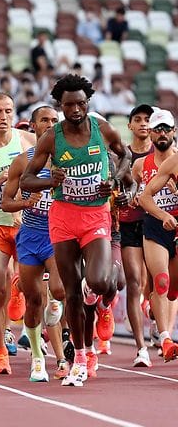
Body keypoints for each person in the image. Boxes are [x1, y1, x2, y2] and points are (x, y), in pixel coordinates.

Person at [21, 74, 130, 387]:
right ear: (61, 106)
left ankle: (104, 291)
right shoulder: (51, 138)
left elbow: (124, 156)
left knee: (97, 280)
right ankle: (80, 358)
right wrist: (49, 181)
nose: (76, 109)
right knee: (71, 293)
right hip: (64, 218)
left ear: (88, 103)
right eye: (69, 104)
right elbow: (27, 180)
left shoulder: (103, 128)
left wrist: (116, 179)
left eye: (81, 103)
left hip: (96, 215)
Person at [1, 105, 67, 382]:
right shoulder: (22, 161)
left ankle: (56, 308)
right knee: (33, 300)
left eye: (54, 120)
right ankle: (38, 359)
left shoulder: (68, 159)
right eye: (44, 120)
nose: (50, 124)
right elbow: (6, 202)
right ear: (34, 125)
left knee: (59, 291)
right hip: (30, 234)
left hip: (58, 233)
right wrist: (25, 203)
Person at [0, 92, 36, 371]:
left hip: (26, 223)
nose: (4, 117)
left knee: (26, 283)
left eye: (8, 111)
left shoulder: (26, 141)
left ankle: (18, 287)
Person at [133, 108, 178, 364]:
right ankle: (166, 338)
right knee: (160, 281)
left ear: (173, 132)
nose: (161, 133)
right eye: (157, 129)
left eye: (166, 129)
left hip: (177, 226)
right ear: (150, 133)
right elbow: (141, 197)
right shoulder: (143, 164)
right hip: (154, 225)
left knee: (172, 290)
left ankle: (160, 316)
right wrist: (162, 215)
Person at [118, 104, 154, 367]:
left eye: (148, 120)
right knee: (134, 283)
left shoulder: (163, 154)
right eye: (138, 119)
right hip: (130, 224)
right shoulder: (122, 156)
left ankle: (156, 317)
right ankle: (141, 348)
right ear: (129, 125)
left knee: (155, 283)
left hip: (156, 223)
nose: (143, 124)